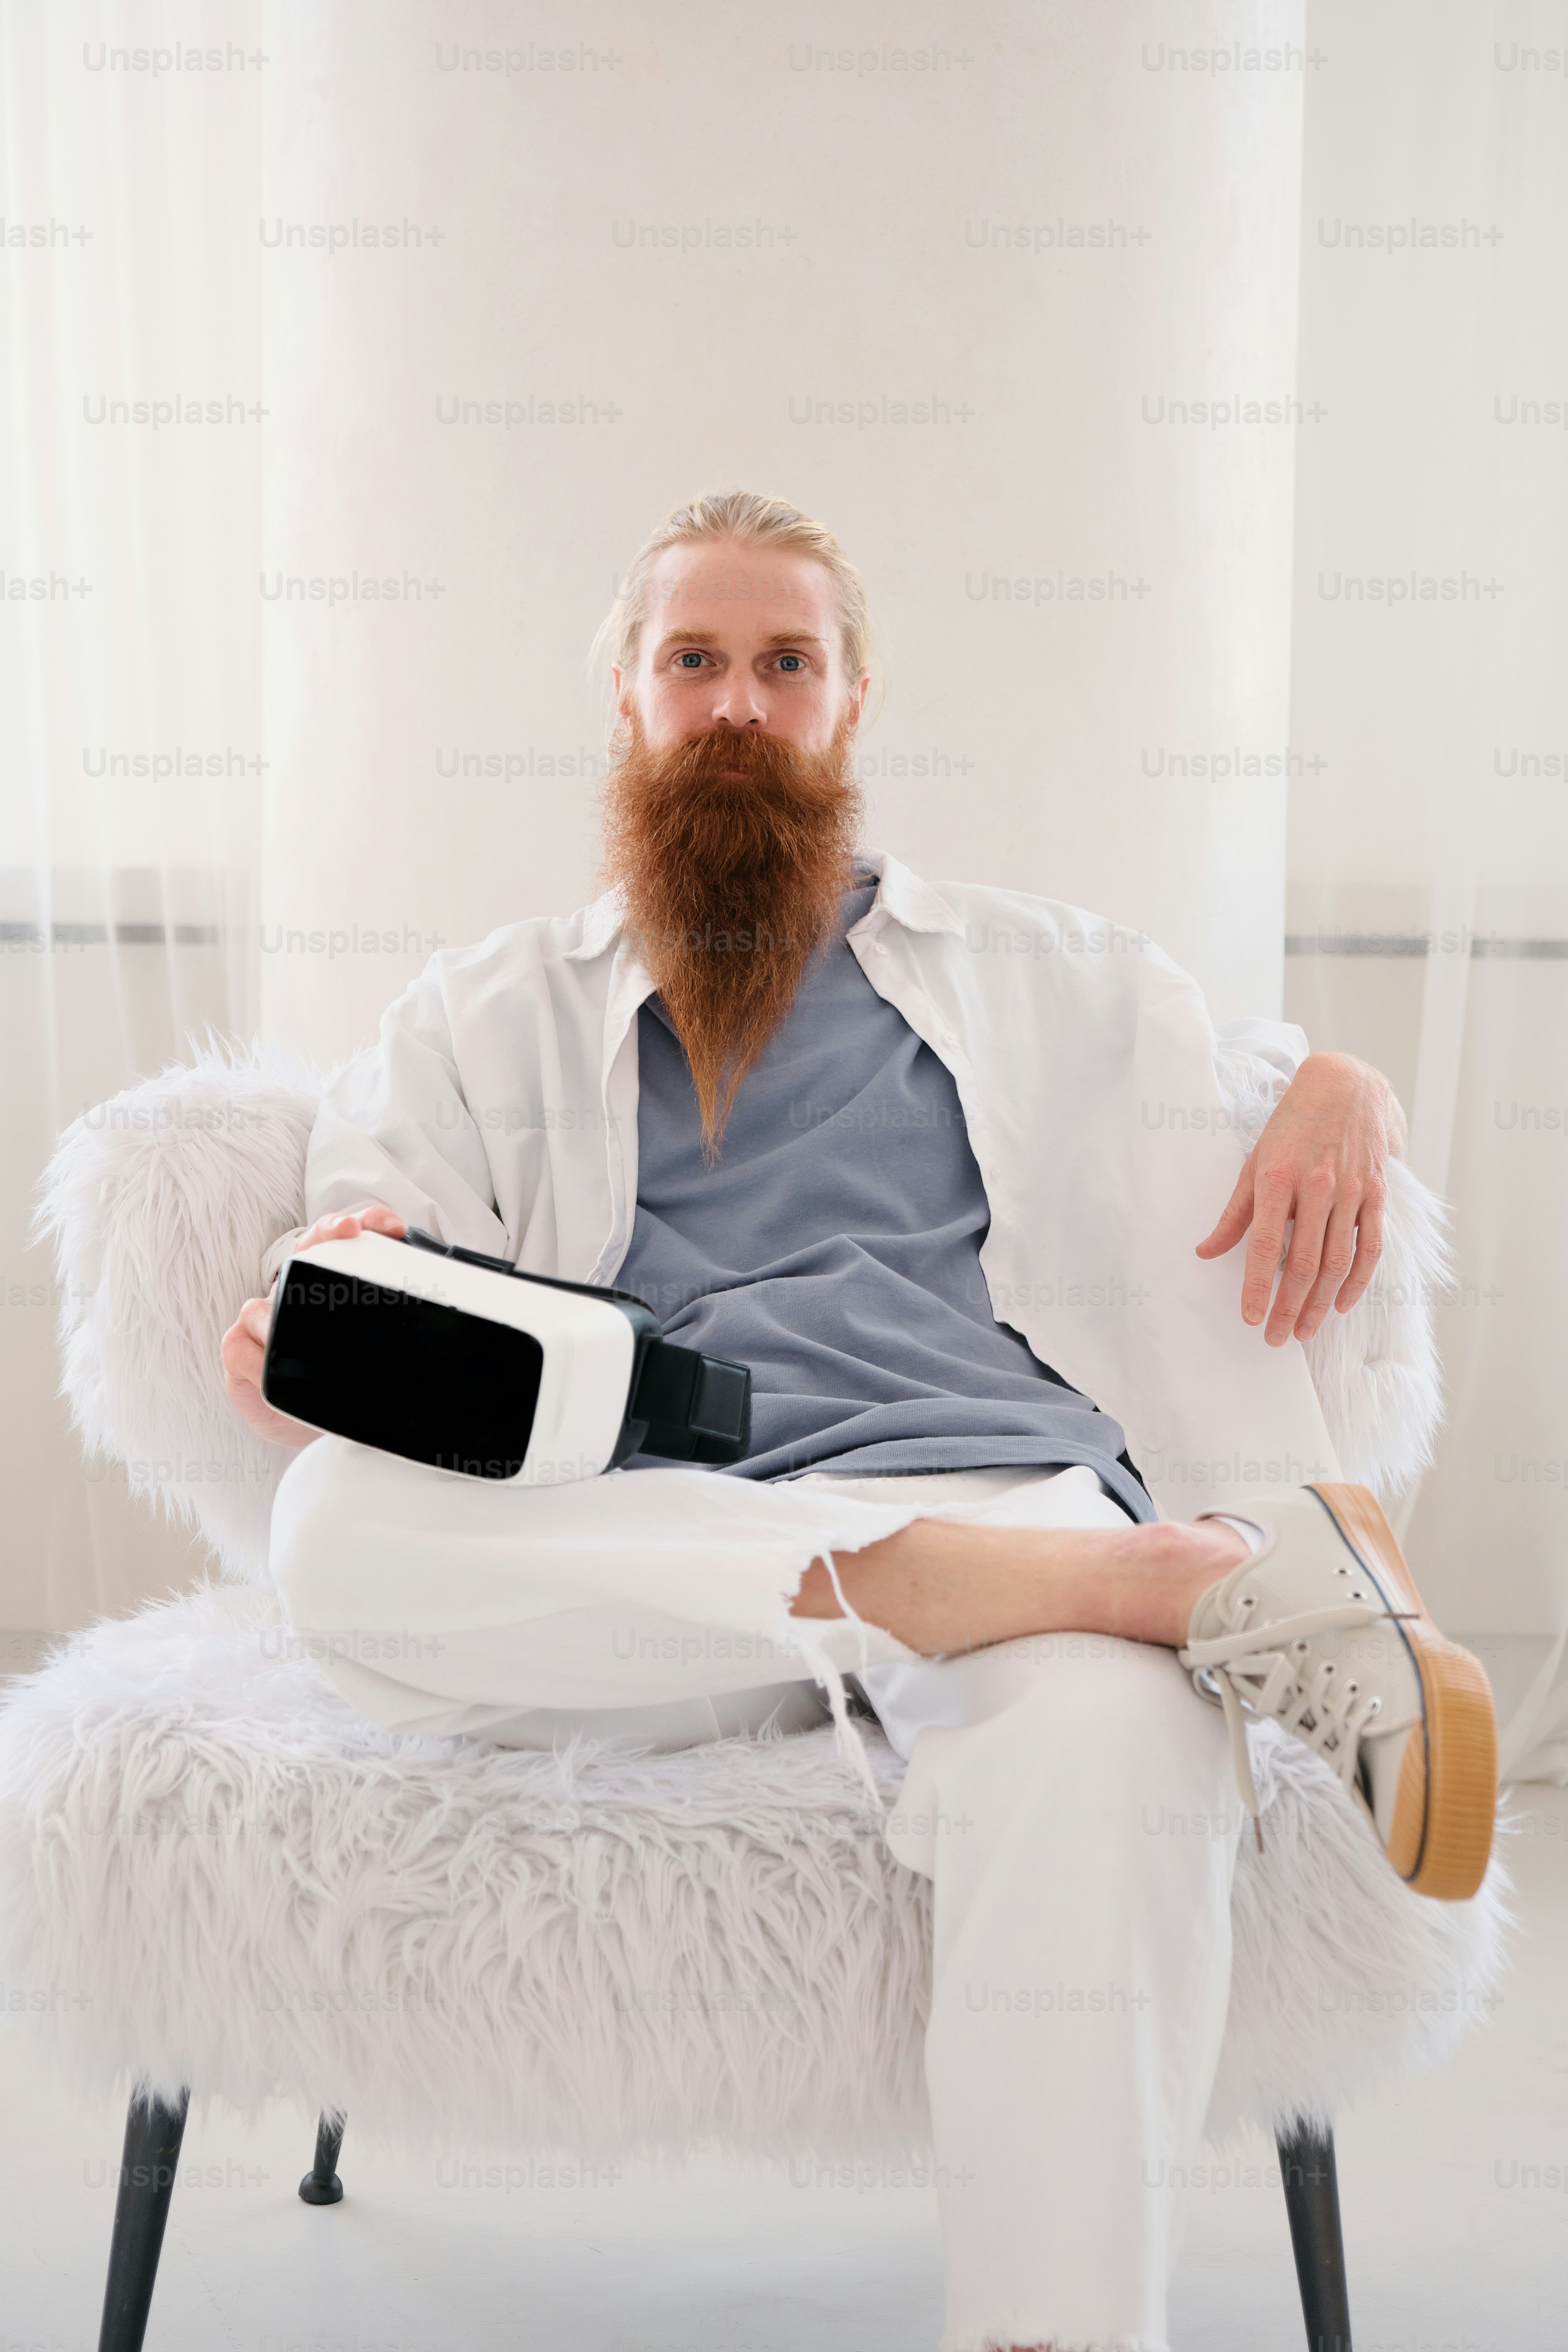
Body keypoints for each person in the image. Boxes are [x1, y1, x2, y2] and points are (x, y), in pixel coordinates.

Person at [222, 490, 1496, 2352]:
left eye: (784, 663)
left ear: (851, 701)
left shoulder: (1052, 971)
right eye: (694, 661)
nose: (738, 702)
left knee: (1115, 1768)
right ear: (627, 698)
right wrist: (322, 1309)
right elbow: (372, 1247)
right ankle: (1124, 1590)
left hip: (1017, 1502)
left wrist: (1347, 1084)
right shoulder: (478, 1014)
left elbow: (1248, 1083)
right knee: (339, 1531)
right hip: (647, 1555)